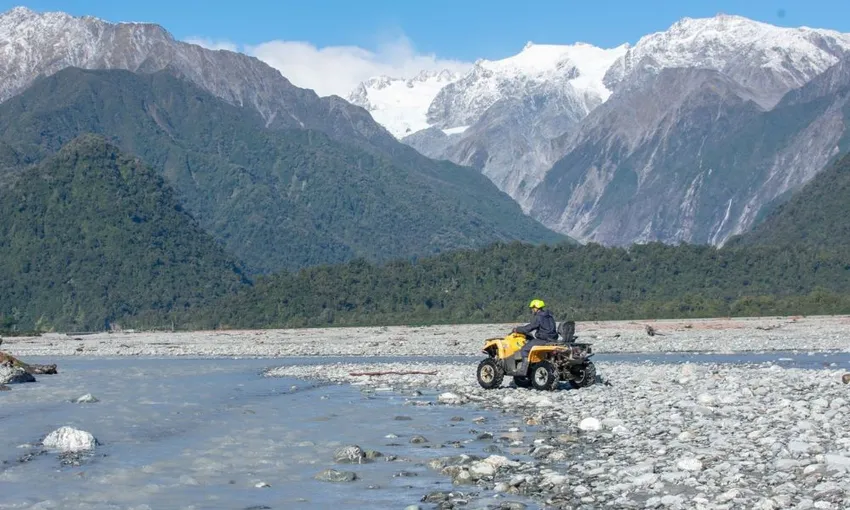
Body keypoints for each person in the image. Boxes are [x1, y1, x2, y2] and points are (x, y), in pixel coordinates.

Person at [513, 299, 558, 376]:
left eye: (532, 308)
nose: (532, 310)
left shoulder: (539, 317)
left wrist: (517, 329)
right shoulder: (550, 316)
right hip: (553, 339)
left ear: (536, 308)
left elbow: (529, 327)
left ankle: (523, 370)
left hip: (543, 340)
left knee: (524, 349)